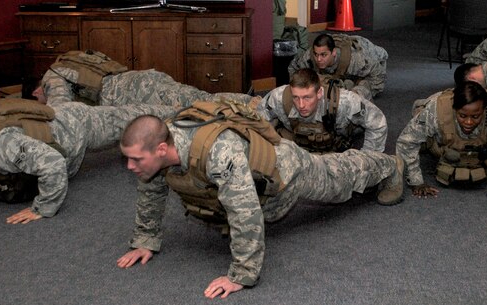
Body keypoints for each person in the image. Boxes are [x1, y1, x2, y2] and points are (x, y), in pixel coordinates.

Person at [114, 108, 404, 299]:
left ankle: (390, 166)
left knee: (341, 177)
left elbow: (245, 213)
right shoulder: (158, 147)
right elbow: (152, 189)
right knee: (335, 170)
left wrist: (242, 274)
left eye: (136, 159)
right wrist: (146, 239)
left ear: (162, 149)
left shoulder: (218, 153)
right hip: (253, 179)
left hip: (288, 171)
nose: (130, 166)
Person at [0, 97, 177, 224]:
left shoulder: (3, 148)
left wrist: (43, 207)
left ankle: (182, 105)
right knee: (126, 115)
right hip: (54, 124)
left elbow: (53, 163)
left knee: (134, 118)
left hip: (75, 126)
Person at [396, 81, 487, 202]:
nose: (469, 122)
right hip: (436, 124)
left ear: (484, 109)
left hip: (475, 135)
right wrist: (416, 182)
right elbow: (406, 142)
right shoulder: (436, 111)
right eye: (462, 116)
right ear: (455, 109)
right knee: (423, 141)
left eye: (476, 116)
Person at [40, 50, 257, 108]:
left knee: (198, 103)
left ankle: (256, 105)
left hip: (137, 92)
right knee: (198, 98)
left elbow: (60, 110)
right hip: (142, 80)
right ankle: (253, 104)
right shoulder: (72, 59)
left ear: (35, 91)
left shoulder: (53, 76)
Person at [257, 68, 387, 153]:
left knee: (359, 94)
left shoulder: (345, 102)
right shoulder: (278, 97)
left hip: (343, 116)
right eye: (296, 97)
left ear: (319, 93)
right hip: (302, 145)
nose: (301, 105)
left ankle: (360, 85)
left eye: (307, 97)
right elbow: (257, 121)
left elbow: (378, 123)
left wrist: (367, 158)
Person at [287, 33, 389, 101]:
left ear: (333, 52)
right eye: (316, 54)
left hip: (368, 50)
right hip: (339, 52)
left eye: (323, 55)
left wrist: (365, 89)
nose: (318, 59)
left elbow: (378, 73)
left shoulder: (357, 59)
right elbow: (293, 68)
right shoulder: (309, 57)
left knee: (357, 92)